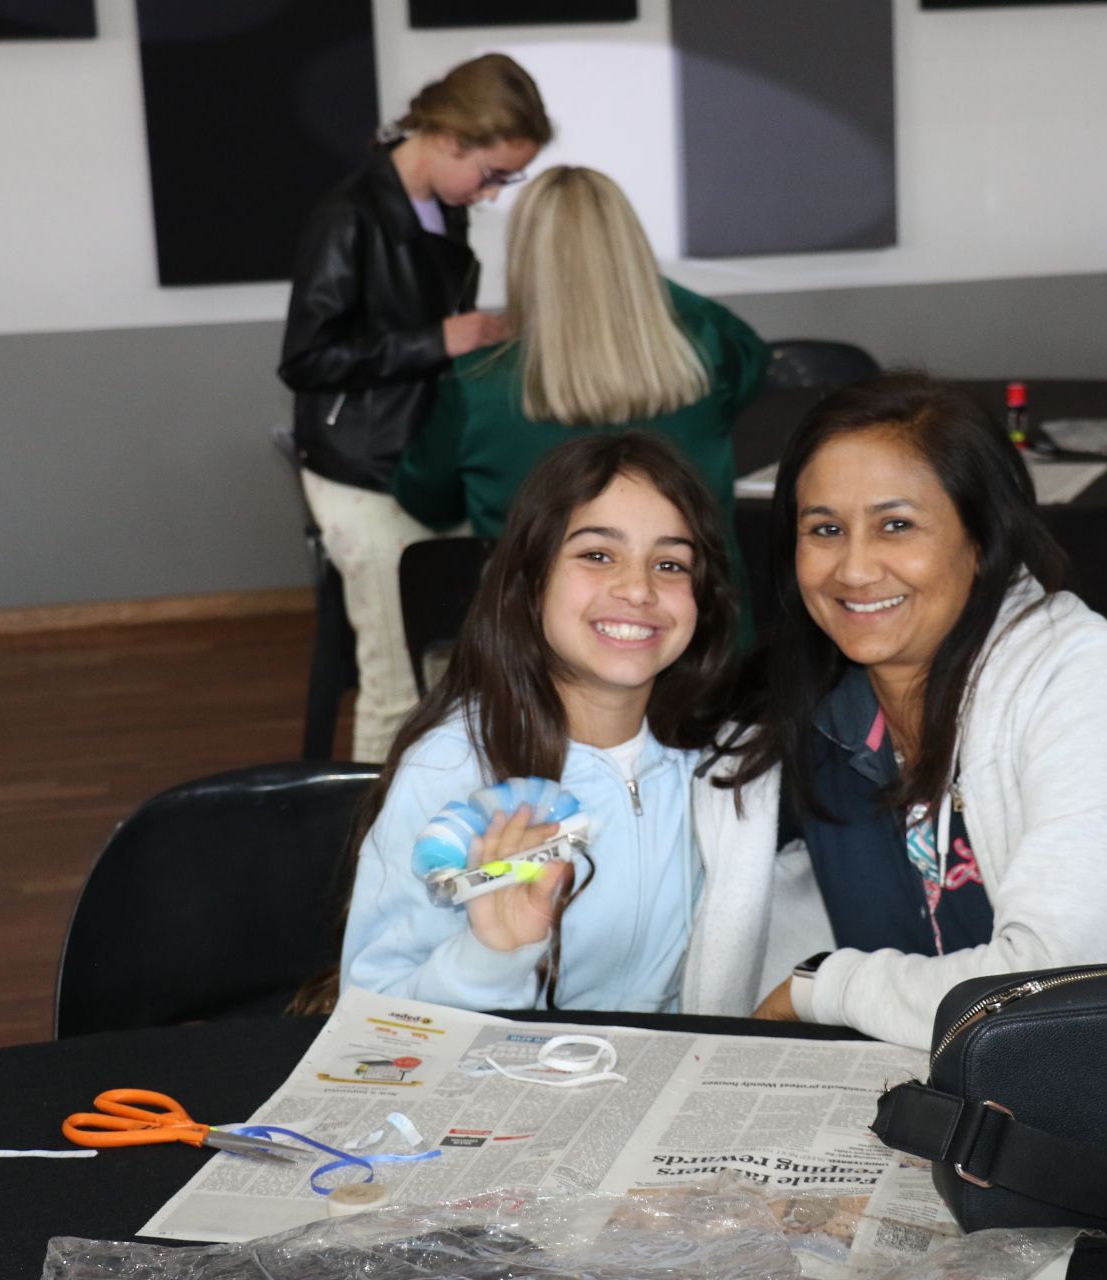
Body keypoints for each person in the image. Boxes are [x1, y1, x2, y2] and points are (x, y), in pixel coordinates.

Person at [685, 373, 1107, 1130]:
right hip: (1008, 1115)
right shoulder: (815, 711)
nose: (853, 568)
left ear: (981, 536)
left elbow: (1047, 982)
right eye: (823, 529)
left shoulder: (1084, 675)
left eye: (896, 526)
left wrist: (825, 986)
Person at [317, 432, 740, 1014]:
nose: (638, 589)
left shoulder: (722, 764)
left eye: (670, 564)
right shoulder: (452, 769)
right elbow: (376, 1015)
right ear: (531, 580)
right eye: (597, 555)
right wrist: (492, 954)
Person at [277, 55, 553, 763]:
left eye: (507, 181)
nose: (491, 196)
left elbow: (420, 327)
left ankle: (444, 818)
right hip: (360, 467)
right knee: (396, 680)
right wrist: (438, 340)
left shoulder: (441, 206)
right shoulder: (349, 215)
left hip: (420, 456)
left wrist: (468, 339)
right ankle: (368, 853)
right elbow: (306, 361)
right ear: (449, 137)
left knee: (451, 662)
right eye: (492, 175)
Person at [392, 166, 771, 636]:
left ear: (525, 262)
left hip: (542, 661)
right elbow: (754, 354)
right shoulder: (706, 359)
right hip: (704, 652)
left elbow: (425, 500)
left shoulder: (476, 383)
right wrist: (632, 280)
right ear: (634, 253)